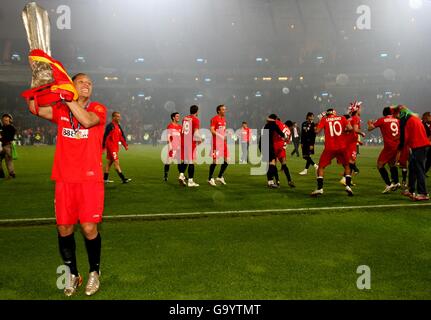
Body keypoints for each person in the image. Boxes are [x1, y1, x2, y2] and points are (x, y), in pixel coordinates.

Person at [26, 73, 106, 296]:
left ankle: (94, 272)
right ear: (71, 85)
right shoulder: (61, 110)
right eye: (81, 82)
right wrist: (36, 87)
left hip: (90, 179)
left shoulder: (98, 109)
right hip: (64, 178)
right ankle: (73, 273)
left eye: (90, 83)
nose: (86, 85)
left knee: (89, 227)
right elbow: (35, 109)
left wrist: (67, 99)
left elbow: (88, 121)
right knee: (64, 228)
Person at [311, 108, 354, 196]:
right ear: (335, 113)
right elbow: (350, 128)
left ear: (327, 114)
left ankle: (320, 189)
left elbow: (317, 131)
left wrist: (316, 124)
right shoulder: (342, 118)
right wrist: (344, 131)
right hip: (342, 146)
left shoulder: (324, 119)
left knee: (321, 167)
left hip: (330, 147)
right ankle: (348, 186)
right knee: (347, 166)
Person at [393, 105, 430, 201]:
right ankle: (411, 189)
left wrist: (398, 154)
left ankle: (423, 193)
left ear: (399, 113)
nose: (395, 118)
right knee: (412, 168)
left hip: (419, 147)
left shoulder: (404, 120)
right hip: (419, 146)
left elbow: (403, 140)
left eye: (395, 115)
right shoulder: (412, 118)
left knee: (419, 170)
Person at [367, 107, 401, 193]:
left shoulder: (382, 120)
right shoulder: (397, 120)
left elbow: (370, 128)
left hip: (389, 146)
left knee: (380, 165)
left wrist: (369, 123)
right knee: (391, 164)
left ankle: (388, 184)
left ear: (384, 113)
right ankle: (396, 182)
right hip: (397, 145)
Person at [259, 114, 289, 188]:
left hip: (261, 144)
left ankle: (271, 181)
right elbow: (281, 133)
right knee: (272, 162)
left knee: (270, 162)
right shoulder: (274, 125)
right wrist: (285, 138)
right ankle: (270, 182)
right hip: (268, 144)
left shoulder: (266, 125)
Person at [340, 101, 365, 186]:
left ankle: (347, 179)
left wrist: (358, 141)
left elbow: (349, 132)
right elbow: (355, 130)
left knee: (350, 161)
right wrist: (362, 133)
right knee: (351, 162)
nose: (361, 110)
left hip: (349, 142)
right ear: (357, 109)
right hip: (350, 144)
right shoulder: (356, 118)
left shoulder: (350, 118)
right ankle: (346, 178)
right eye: (360, 108)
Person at [103, 111, 131, 184]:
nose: (119, 118)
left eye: (119, 116)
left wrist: (125, 145)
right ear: (113, 117)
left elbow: (121, 137)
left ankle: (105, 179)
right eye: (117, 116)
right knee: (116, 163)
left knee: (109, 163)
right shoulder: (110, 126)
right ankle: (123, 179)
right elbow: (105, 137)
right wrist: (103, 147)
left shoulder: (118, 126)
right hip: (111, 147)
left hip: (115, 147)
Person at [179, 105, 201, 187]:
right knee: (192, 162)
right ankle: (190, 181)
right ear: (197, 111)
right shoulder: (196, 119)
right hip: (190, 143)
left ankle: (181, 175)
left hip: (184, 141)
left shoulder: (185, 118)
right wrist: (200, 140)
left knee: (186, 160)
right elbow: (195, 132)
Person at [208, 105, 229, 186]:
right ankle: (210, 178)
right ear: (218, 111)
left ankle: (220, 176)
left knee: (227, 160)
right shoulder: (214, 119)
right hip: (216, 143)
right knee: (215, 162)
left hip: (223, 143)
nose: (224, 111)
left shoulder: (224, 119)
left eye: (225, 109)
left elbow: (224, 130)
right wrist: (220, 136)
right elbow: (212, 130)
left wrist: (227, 133)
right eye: (223, 109)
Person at [164, 112, 182, 181]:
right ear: (173, 118)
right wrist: (170, 145)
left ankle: (181, 175)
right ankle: (166, 174)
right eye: (177, 116)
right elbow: (168, 137)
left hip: (179, 147)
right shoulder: (170, 126)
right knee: (168, 161)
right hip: (172, 147)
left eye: (178, 116)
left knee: (180, 162)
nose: (178, 117)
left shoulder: (180, 127)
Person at [0, 113, 16, 179]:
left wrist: (2, 137)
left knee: (8, 160)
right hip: (2, 146)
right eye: (4, 120)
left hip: (8, 145)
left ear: (9, 120)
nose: (5, 121)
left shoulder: (11, 128)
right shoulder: (2, 128)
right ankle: (1, 174)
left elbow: (10, 137)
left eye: (6, 119)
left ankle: (12, 174)